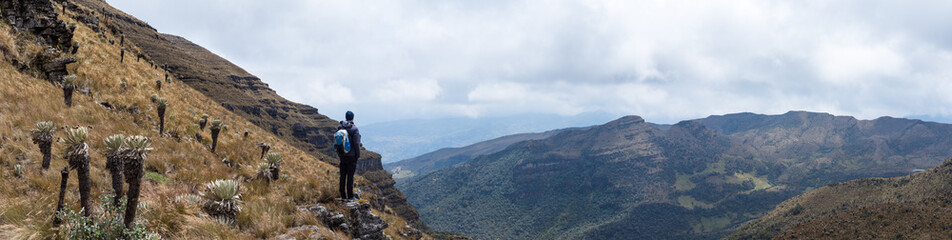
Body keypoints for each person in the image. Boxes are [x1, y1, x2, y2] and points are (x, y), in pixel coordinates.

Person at [337, 110, 361, 201]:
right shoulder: (354, 129)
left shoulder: (340, 127)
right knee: (350, 176)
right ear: (352, 118)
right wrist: (357, 155)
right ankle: (350, 196)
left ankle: (343, 195)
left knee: (342, 175)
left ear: (346, 117)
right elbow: (356, 143)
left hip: (342, 155)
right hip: (351, 156)